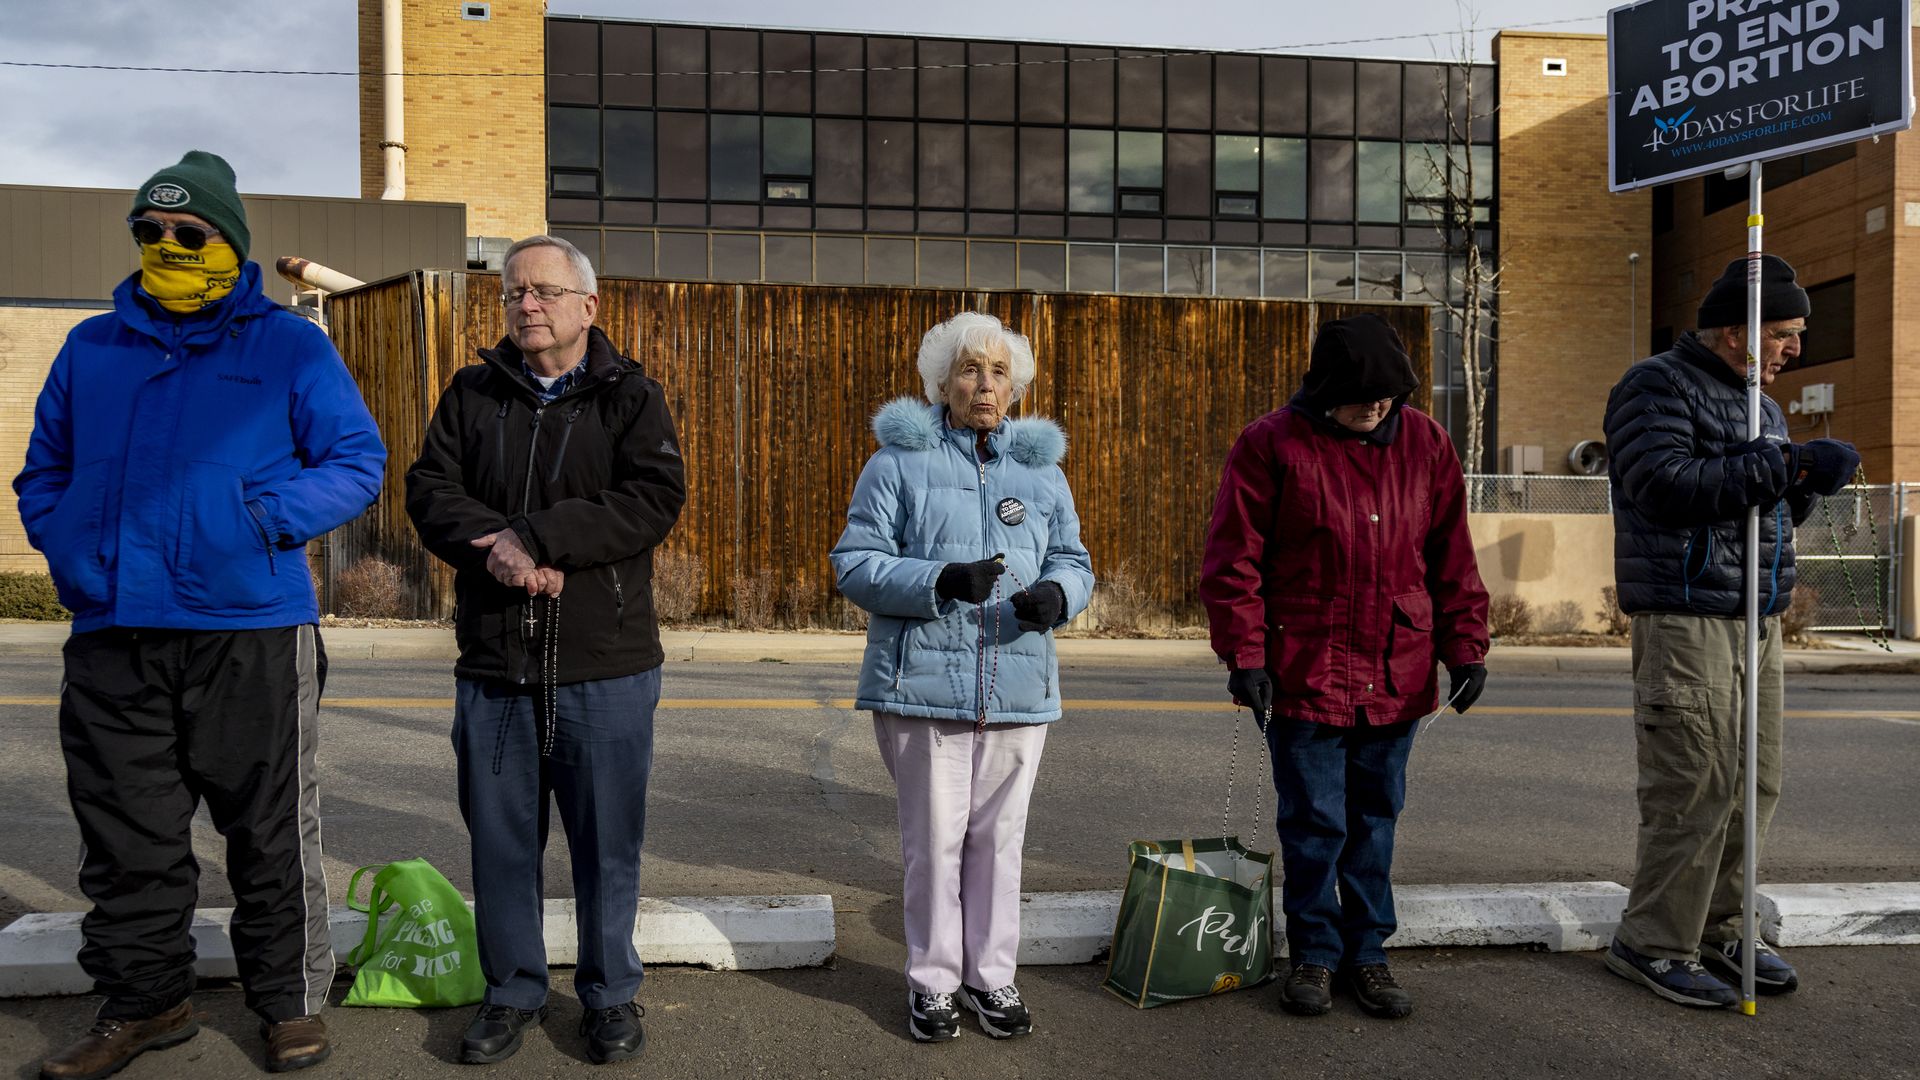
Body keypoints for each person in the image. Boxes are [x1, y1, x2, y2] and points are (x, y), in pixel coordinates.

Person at [15, 150, 386, 1077]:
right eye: (151, 232)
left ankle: (288, 1003)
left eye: (190, 233)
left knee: (267, 832)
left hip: (251, 629)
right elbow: (43, 473)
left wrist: (258, 519)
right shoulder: (90, 346)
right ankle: (146, 1002)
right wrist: (71, 552)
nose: (169, 245)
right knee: (126, 836)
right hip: (114, 630)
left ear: (231, 244)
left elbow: (354, 462)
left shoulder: (290, 346)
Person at [404, 234, 685, 1065]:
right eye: (513, 292)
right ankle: (513, 992)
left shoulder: (631, 397)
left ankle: (608, 995)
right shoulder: (471, 393)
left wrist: (535, 535)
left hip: (606, 663)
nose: (526, 304)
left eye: (544, 292)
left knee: (607, 846)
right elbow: (430, 490)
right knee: (501, 843)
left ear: (587, 307)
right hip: (495, 663)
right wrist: (496, 548)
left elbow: (652, 497)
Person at [1199, 313, 1489, 1021]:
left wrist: (1467, 647)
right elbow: (1233, 559)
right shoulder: (1270, 444)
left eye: (1388, 397)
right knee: (1313, 822)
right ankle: (1315, 954)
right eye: (1362, 397)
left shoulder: (1426, 444)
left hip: (1398, 666)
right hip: (1305, 666)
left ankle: (1369, 954)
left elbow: (1452, 554)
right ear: (1326, 389)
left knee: (1375, 819)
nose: (1376, 409)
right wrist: (1245, 655)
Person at [1601, 255, 1858, 1008]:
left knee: (1755, 783)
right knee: (1696, 785)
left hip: (1758, 618)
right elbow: (1662, 488)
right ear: (1735, 333)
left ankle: (1721, 929)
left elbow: (1762, 512)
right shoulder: (1657, 385)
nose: (1794, 350)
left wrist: (1803, 479)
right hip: (1688, 619)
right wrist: (1786, 466)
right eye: (1782, 334)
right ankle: (1652, 941)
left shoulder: (1763, 407)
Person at [830, 311, 1094, 1042]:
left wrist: (1060, 596)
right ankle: (934, 982)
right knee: (934, 842)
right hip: (924, 686)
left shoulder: (1042, 472)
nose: (985, 383)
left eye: (1000, 371)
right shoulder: (896, 463)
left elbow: (1074, 561)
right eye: (971, 369)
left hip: (1018, 684)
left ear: (1016, 387)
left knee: (1000, 839)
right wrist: (940, 579)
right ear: (940, 381)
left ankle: (993, 978)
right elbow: (855, 563)